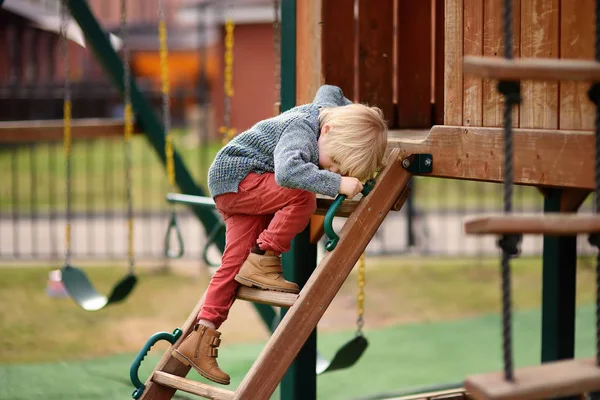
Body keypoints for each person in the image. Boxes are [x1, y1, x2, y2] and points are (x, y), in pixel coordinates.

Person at [171, 85, 388, 385]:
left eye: (337, 168)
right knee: (302, 197)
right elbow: (287, 173)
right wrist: (335, 182)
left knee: (232, 267)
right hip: (238, 176)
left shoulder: (328, 113)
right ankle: (264, 256)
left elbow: (331, 90)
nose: (330, 168)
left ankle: (200, 338)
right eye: (334, 162)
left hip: (238, 185)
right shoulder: (302, 128)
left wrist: (355, 116)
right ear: (326, 130)